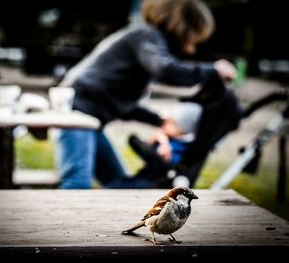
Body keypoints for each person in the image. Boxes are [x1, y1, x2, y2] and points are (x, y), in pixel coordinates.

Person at [55, 0, 242, 189]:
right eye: (195, 34)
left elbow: (119, 105)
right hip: (76, 115)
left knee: (118, 183)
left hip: (89, 118)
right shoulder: (146, 35)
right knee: (77, 183)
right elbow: (165, 70)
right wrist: (213, 70)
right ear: (184, 26)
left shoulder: (145, 40)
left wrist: (159, 121)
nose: (192, 42)